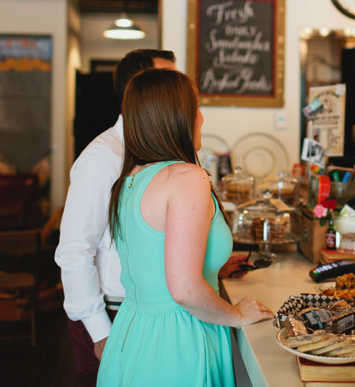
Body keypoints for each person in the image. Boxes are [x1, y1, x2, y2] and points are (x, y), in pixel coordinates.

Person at [97, 68, 273, 386]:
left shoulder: (130, 179)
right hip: (178, 342)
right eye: (197, 106)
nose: (202, 118)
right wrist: (238, 315)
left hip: (131, 335)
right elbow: (185, 290)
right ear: (175, 116)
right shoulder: (186, 177)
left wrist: (214, 268)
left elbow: (154, 263)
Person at [55, 49, 177, 387]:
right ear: (135, 91)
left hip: (142, 312)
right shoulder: (103, 157)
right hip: (108, 315)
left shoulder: (154, 152)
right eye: (166, 81)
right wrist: (100, 334)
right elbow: (74, 249)